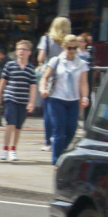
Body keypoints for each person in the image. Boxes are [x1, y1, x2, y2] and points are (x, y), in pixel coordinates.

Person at [40, 34, 91, 165]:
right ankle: (56, 160)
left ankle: (62, 151)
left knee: (72, 130)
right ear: (64, 47)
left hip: (73, 100)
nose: (72, 51)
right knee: (59, 131)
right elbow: (45, 77)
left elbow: (84, 83)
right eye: (69, 48)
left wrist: (84, 97)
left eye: (75, 48)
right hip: (56, 99)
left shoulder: (82, 64)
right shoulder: (55, 61)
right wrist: (43, 89)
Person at [0, 39, 38, 161]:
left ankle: (13, 149)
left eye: (24, 49)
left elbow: (33, 87)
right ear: (15, 52)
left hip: (23, 100)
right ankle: (5, 149)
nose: (21, 52)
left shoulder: (30, 69)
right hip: (10, 98)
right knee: (10, 124)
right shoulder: (10, 65)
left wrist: (32, 102)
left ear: (29, 52)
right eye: (19, 49)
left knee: (18, 127)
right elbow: (3, 81)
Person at [38, 16, 73, 150]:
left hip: (49, 77)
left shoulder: (46, 39)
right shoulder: (69, 42)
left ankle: (48, 141)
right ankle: (59, 137)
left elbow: (41, 58)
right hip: (65, 77)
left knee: (48, 111)